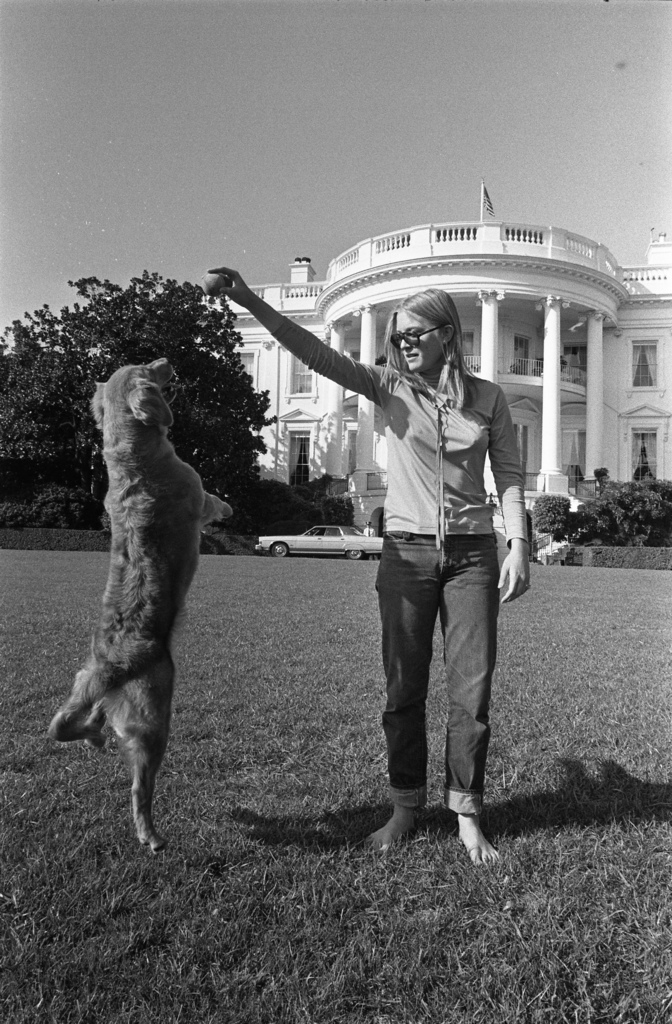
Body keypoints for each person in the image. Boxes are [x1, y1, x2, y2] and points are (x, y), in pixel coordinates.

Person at [206, 267, 530, 865]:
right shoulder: (388, 386)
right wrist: (248, 297)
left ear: (447, 334)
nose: (402, 343)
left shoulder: (488, 399)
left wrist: (519, 544)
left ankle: (466, 814)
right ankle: (405, 806)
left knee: (471, 691)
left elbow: (508, 476)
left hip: (473, 556)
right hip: (405, 553)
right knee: (404, 686)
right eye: (397, 335)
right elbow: (314, 351)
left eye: (414, 333)